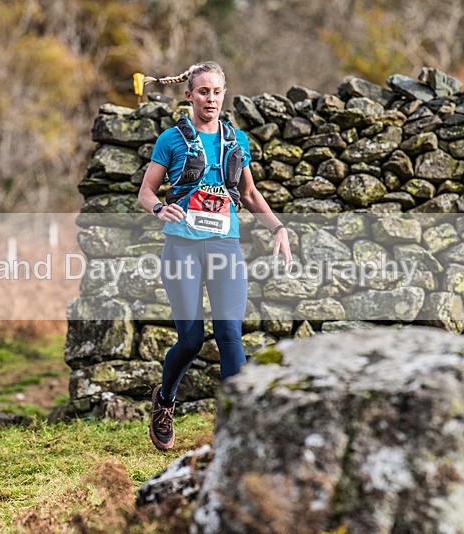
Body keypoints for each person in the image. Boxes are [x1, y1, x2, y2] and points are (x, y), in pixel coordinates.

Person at [138, 61, 293, 450]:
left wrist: (278, 228)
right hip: (182, 247)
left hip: (225, 246)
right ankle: (165, 400)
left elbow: (252, 195)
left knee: (228, 333)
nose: (211, 98)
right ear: (189, 95)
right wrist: (160, 209)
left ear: (225, 94)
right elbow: (146, 193)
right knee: (190, 341)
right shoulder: (171, 140)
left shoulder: (236, 139)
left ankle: (236, 428)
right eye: (203, 91)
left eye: (217, 92)